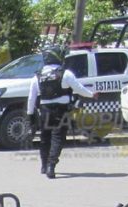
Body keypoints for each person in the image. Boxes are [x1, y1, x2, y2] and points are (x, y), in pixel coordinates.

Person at [26, 46, 95, 179]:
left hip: (44, 110)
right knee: (58, 138)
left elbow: (31, 98)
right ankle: (51, 165)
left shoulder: (38, 76)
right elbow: (79, 89)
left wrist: (30, 115)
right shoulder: (66, 73)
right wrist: (92, 95)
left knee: (45, 138)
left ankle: (44, 165)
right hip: (60, 110)